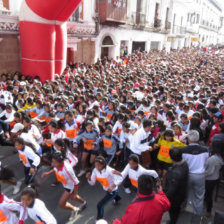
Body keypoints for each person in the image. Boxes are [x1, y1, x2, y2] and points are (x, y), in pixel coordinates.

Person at [41, 153, 86, 220]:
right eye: (52, 161)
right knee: (72, 196)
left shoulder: (68, 170)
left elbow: (76, 182)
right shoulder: (57, 166)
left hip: (70, 187)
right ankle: (84, 203)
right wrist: (47, 173)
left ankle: (75, 209)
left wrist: (75, 193)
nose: (53, 164)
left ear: (60, 162)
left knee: (61, 204)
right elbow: (55, 169)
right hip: (65, 185)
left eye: (54, 162)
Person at [180, 130, 209, 215]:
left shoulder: (183, 150)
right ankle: (197, 215)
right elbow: (206, 162)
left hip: (187, 175)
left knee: (184, 194)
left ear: (188, 138)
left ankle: (182, 214)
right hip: (200, 175)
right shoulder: (205, 150)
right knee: (199, 197)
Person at [86, 156, 122, 221]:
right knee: (112, 196)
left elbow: (120, 178)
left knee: (100, 205)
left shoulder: (110, 170)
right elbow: (92, 183)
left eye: (98, 166)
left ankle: (99, 219)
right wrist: (89, 178)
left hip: (112, 190)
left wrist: (113, 186)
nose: (97, 167)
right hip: (106, 189)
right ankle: (117, 198)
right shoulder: (95, 170)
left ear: (103, 165)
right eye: (95, 165)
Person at [164, 148, 189, 224]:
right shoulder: (185, 163)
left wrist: (164, 197)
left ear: (171, 158)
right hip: (182, 193)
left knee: (173, 212)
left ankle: (173, 222)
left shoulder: (176, 173)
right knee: (176, 210)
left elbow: (172, 190)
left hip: (175, 198)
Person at [205, 140, 224, 216]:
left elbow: (209, 172)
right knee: (209, 194)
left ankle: (208, 210)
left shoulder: (213, 159)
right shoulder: (220, 156)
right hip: (216, 177)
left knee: (208, 195)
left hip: (209, 179)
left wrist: (202, 174)